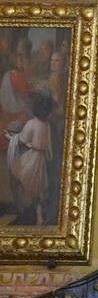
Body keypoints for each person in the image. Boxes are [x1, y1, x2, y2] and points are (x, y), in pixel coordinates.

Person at [5, 91, 54, 225]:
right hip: (42, 160)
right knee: (37, 192)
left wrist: (11, 137)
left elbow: (22, 140)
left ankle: (19, 207)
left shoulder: (32, 123)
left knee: (15, 173)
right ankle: (40, 218)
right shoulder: (47, 125)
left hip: (32, 159)